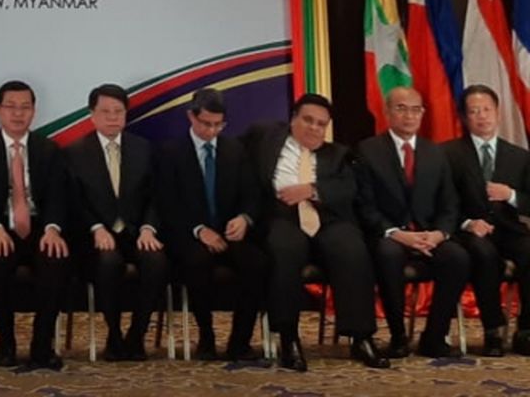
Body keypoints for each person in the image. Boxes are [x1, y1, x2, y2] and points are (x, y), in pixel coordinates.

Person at [247, 93, 389, 370]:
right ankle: (288, 338)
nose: (314, 128)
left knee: (352, 249)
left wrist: (312, 190)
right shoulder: (265, 139)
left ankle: (361, 338)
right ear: (293, 119)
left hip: (326, 217)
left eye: (321, 124)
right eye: (308, 120)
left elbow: (349, 190)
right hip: (283, 215)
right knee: (283, 250)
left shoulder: (338, 154)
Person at [355, 86, 468, 359]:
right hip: (390, 236)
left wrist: (439, 234)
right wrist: (396, 233)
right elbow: (364, 206)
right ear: (387, 112)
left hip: (429, 235)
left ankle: (434, 336)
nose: (409, 115)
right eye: (401, 108)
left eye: (415, 109)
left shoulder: (435, 152)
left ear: (422, 114)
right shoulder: (368, 150)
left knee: (458, 258)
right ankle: (398, 336)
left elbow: (449, 204)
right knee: (387, 255)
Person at [0, 80, 70, 371]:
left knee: (55, 257)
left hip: (38, 226)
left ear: (34, 112)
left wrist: (52, 228)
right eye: (11, 106)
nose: (18, 113)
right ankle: (6, 342)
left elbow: (59, 198)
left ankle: (41, 344)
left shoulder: (48, 149)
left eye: (25, 107)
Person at [156, 87, 266, 362]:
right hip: (191, 236)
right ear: (190, 117)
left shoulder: (236, 150)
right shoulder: (171, 152)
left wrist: (244, 219)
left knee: (258, 264)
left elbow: (253, 195)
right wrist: (198, 230)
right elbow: (166, 204)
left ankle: (240, 341)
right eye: (206, 124)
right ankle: (206, 336)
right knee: (196, 263)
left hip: (231, 234)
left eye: (219, 125)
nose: (212, 131)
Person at [64, 83, 166, 362]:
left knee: (155, 261)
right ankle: (114, 335)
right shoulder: (74, 152)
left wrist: (148, 227)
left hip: (136, 232)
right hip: (95, 235)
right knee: (108, 262)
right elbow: (73, 203)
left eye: (118, 111)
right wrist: (95, 228)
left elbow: (156, 196)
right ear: (92, 115)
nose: (112, 117)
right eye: (105, 111)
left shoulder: (143, 148)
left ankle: (136, 334)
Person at [443, 84, 530, 356]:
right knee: (484, 255)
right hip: (472, 232)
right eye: (474, 111)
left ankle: (525, 330)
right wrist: (468, 223)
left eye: (487, 110)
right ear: (464, 117)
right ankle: (493, 330)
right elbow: (442, 201)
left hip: (510, 229)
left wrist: (512, 195)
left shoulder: (519, 156)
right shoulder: (448, 154)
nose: (482, 116)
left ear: (498, 113)